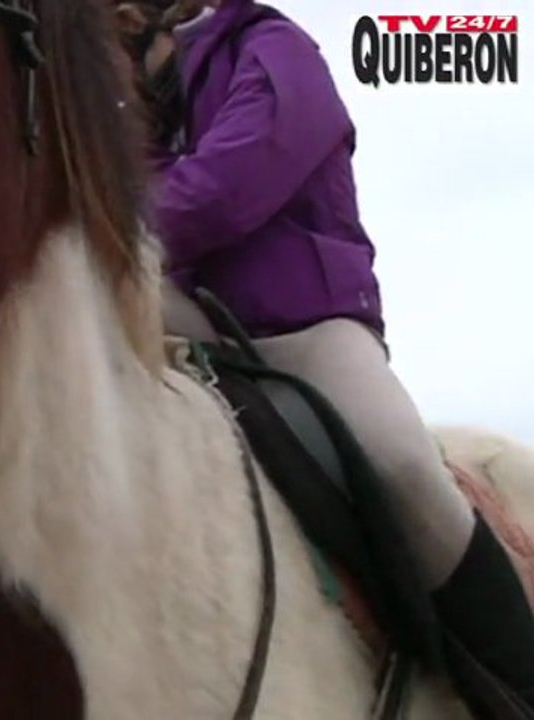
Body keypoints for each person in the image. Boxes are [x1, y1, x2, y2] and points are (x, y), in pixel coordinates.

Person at [114, 0, 534, 714]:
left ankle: (515, 682)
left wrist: (98, 228)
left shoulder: (277, 51)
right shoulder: (135, 104)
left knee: (404, 464)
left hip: (306, 329)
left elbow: (225, 193)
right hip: (192, 318)